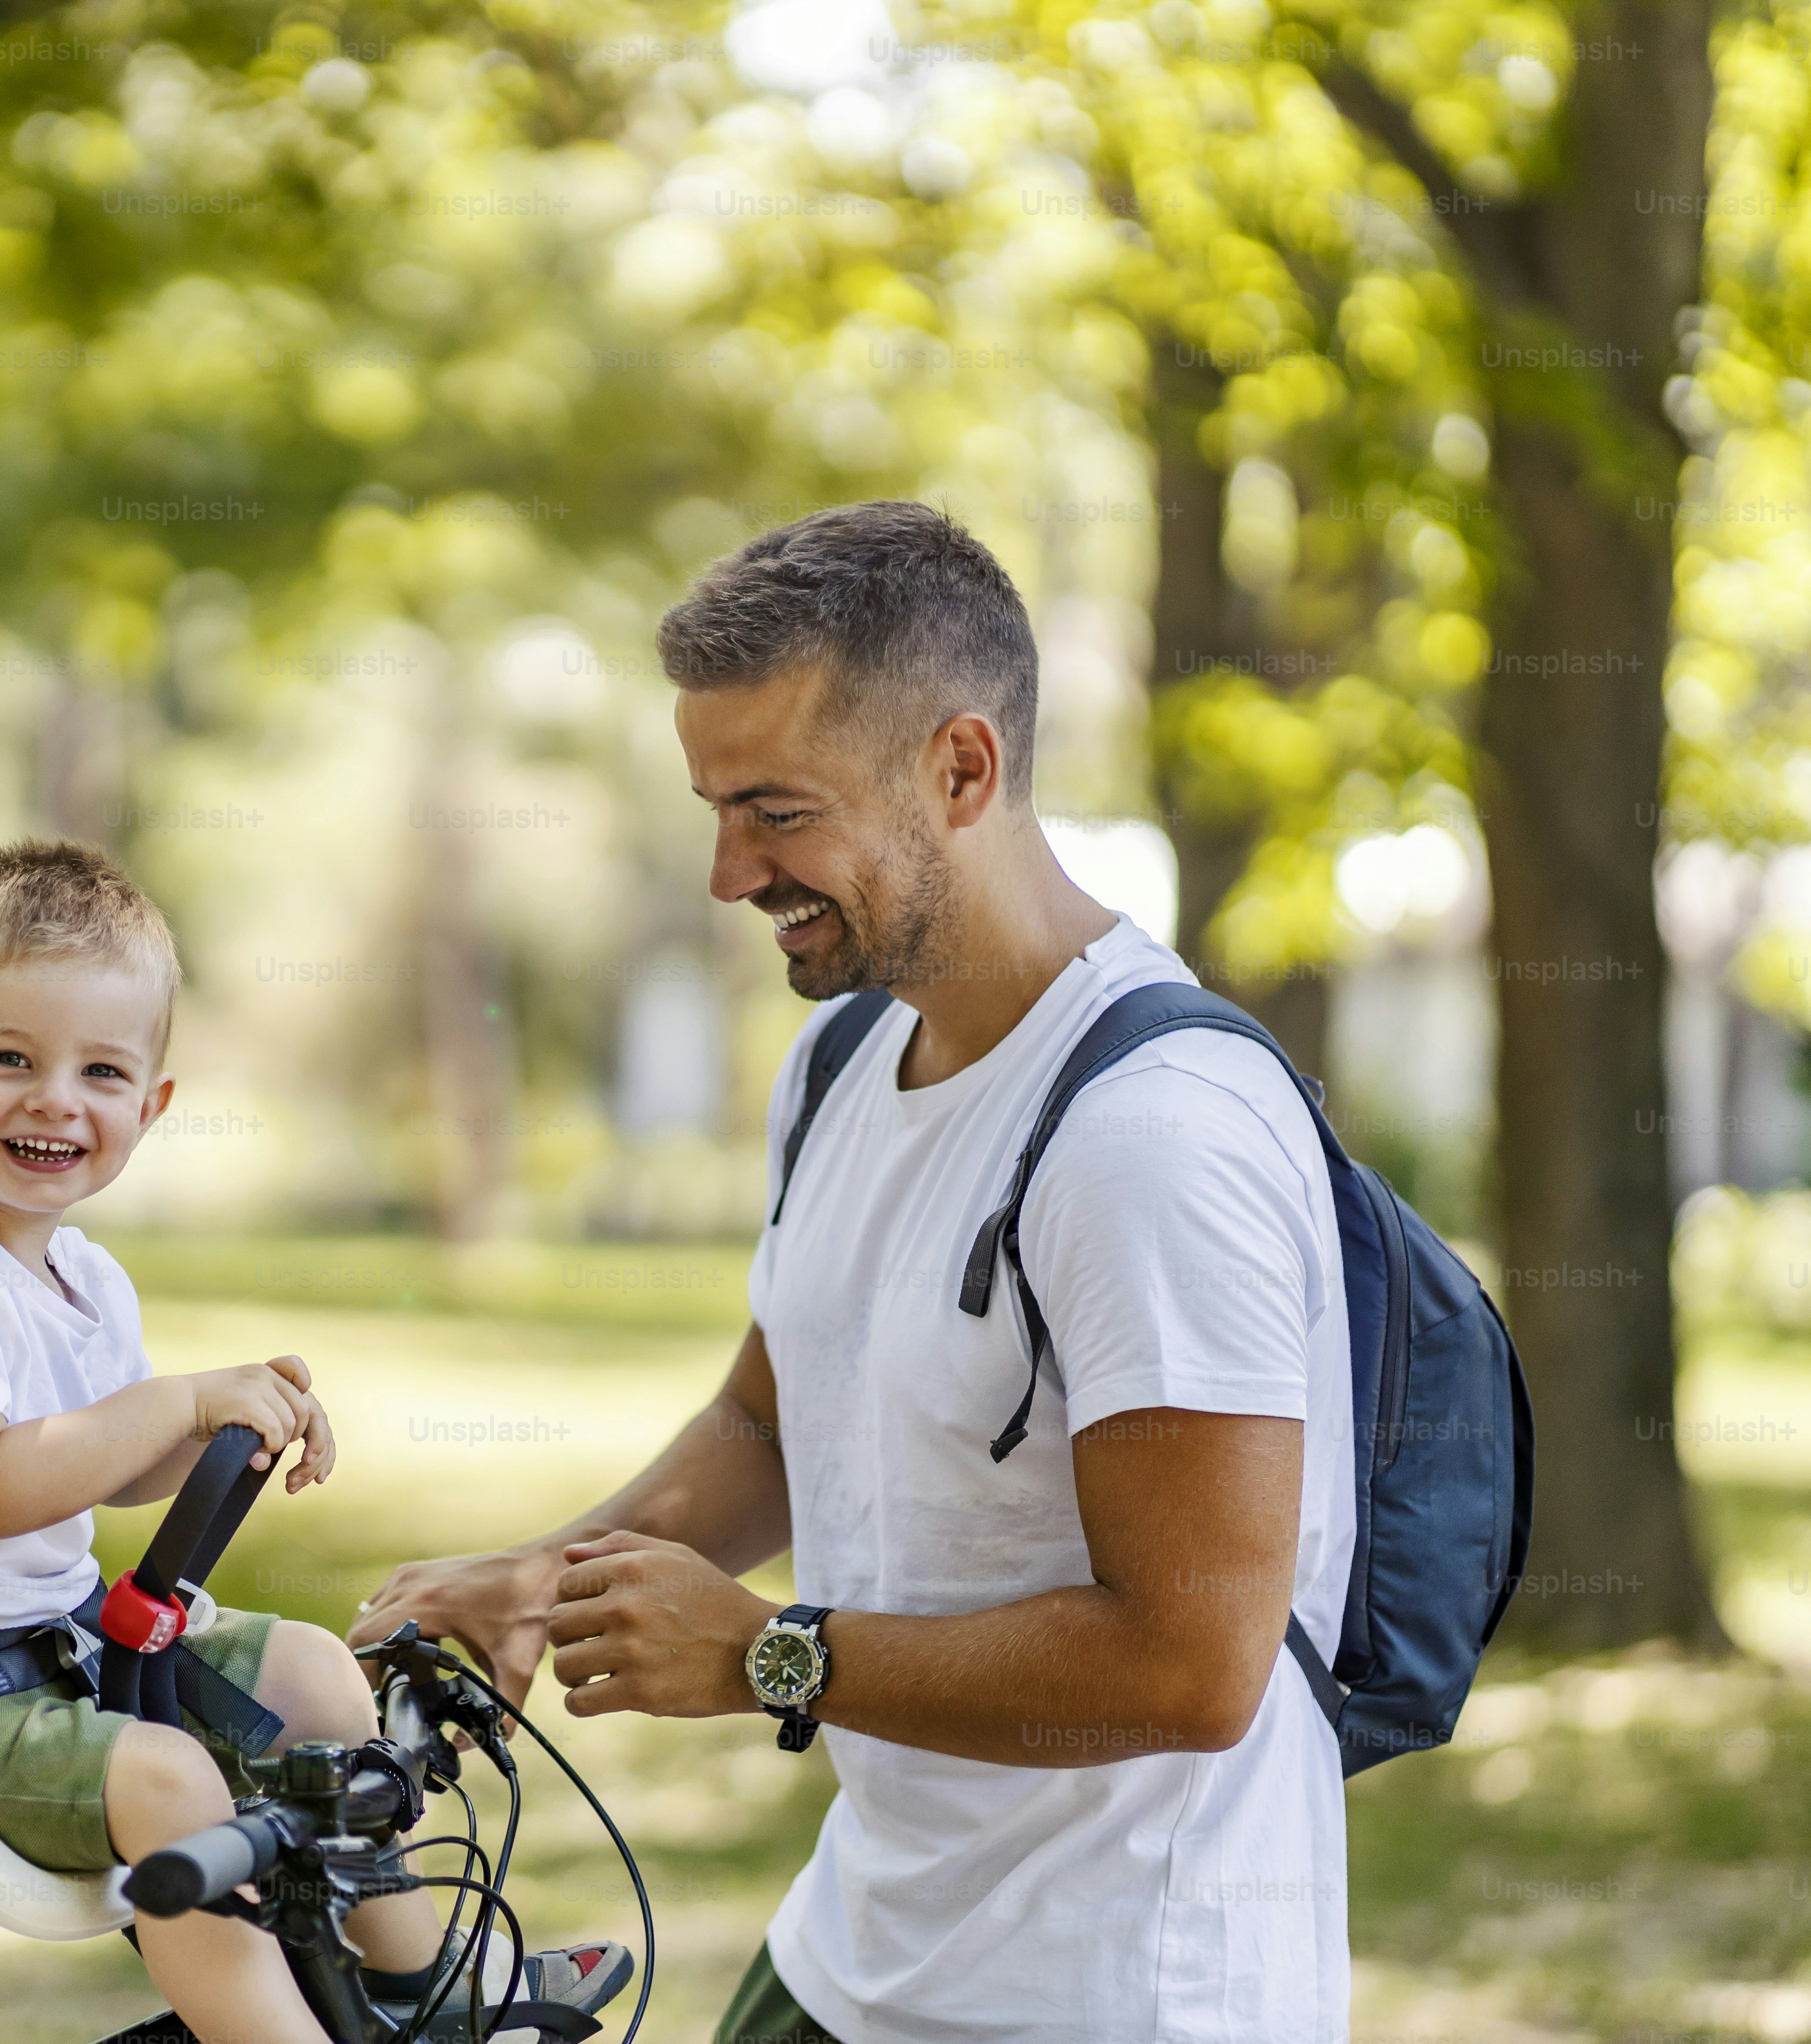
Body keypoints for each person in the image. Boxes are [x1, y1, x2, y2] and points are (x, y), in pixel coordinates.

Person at [355, 503, 1353, 2043]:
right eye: (713, 807)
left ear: (963, 770)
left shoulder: (1154, 1134)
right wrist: (545, 1584)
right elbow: (770, 1429)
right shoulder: (841, 1058)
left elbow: (1192, 1662)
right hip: (856, 1950)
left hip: (1114, 1998)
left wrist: (769, 1656)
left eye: (776, 811)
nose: (726, 870)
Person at [0, 840, 630, 2044]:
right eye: (9, 1059)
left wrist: (226, 1431)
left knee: (322, 1678)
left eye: (102, 1072)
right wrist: (177, 1402)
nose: (56, 1099)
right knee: (173, 1782)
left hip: (60, 1641)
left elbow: (108, 1468)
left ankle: (418, 1991)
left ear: (151, 1105)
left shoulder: (82, 1273)